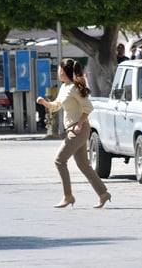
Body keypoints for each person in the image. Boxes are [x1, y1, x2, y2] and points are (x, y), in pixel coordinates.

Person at [36, 58, 111, 208]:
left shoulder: (74, 88)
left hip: (79, 130)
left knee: (59, 160)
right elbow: (56, 106)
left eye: (58, 69)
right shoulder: (64, 87)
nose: (58, 72)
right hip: (73, 129)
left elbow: (88, 107)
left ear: (62, 71)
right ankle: (103, 193)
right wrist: (44, 103)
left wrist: (79, 124)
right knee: (84, 165)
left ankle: (68, 196)